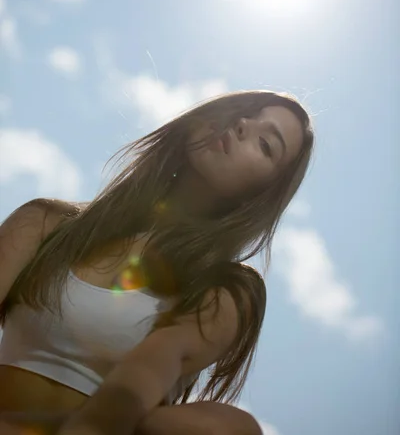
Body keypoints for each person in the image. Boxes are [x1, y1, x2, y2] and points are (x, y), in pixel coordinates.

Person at [0, 90, 314, 435]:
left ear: (259, 195)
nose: (242, 125)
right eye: (244, 112)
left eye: (266, 144)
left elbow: (155, 364)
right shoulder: (46, 223)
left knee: (231, 426)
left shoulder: (228, 290)